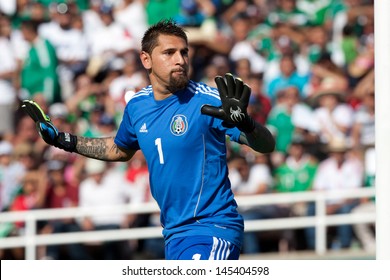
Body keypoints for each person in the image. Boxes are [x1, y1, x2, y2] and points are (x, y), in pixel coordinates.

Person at [21, 19, 275, 260]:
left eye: (184, 52)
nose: (180, 60)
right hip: (174, 233)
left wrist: (247, 123)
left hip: (212, 226)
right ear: (146, 59)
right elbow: (119, 149)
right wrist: (66, 140)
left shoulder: (207, 101)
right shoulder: (137, 106)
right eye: (169, 53)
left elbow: (265, 145)